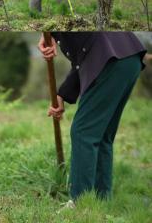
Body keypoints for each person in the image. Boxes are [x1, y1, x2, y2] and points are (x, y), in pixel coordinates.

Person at [38, 32, 146, 203]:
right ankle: (101, 201)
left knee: (83, 132)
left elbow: (92, 51)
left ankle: (80, 203)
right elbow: (83, 59)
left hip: (109, 59)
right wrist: (63, 95)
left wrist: (50, 31)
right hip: (129, 57)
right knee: (102, 136)